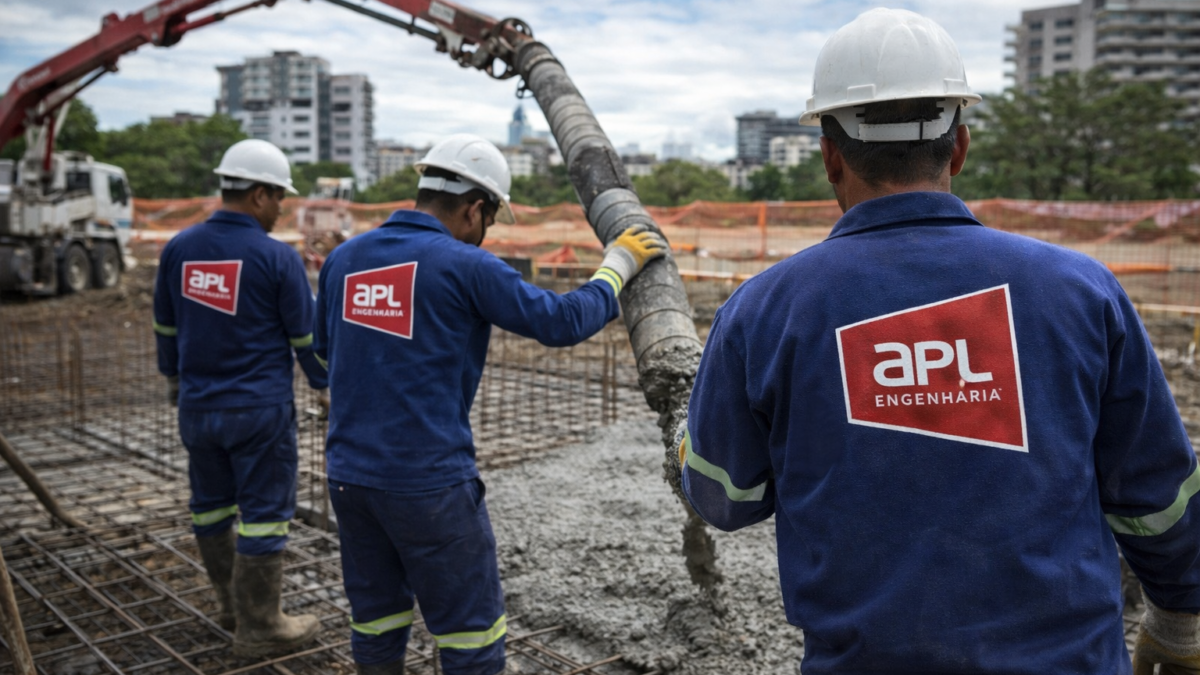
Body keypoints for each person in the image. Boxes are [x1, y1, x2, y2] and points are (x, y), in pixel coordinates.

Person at [678, 8, 1200, 674]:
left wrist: (691, 445)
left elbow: (726, 496)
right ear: (959, 147)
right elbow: (1158, 494)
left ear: (829, 155)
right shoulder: (1082, 291)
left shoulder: (763, 311)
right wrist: (1180, 619)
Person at [313, 133, 667, 675]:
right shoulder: (464, 265)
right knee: (471, 634)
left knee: (377, 619)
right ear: (474, 209)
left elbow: (322, 351)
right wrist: (617, 266)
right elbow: (562, 321)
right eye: (491, 221)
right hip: (428, 483)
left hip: (349, 477)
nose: (487, 234)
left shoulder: (343, 259)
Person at [153, 139, 328, 657]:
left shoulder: (179, 248)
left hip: (198, 408)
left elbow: (165, 325)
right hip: (258, 412)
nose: (281, 210)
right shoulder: (276, 257)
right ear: (257, 194)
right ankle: (259, 626)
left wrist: (174, 380)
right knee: (264, 514)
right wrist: (326, 386)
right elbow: (306, 340)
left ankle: (230, 607)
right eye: (279, 199)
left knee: (209, 508)